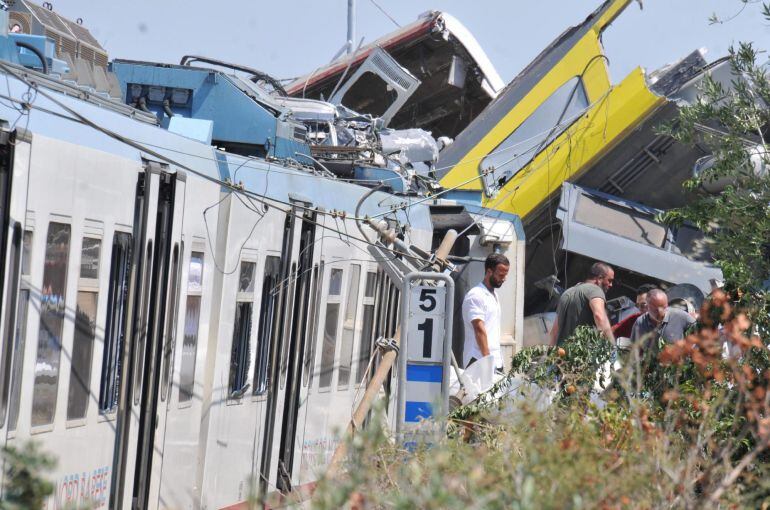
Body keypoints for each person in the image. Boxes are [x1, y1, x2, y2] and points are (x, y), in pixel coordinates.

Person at [462, 253, 509, 373]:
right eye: (501, 275)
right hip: (479, 360)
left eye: (506, 275)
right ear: (489, 272)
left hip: (495, 359)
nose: (504, 279)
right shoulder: (476, 295)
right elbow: (479, 330)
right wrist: (488, 362)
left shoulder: (494, 295)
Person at [550, 262, 615, 346]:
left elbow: (554, 331)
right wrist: (612, 346)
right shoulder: (595, 290)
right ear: (599, 278)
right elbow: (599, 317)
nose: (611, 285)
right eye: (609, 281)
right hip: (581, 354)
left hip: (561, 353)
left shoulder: (567, 293)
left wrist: (550, 355)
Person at [630, 288, 695, 350]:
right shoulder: (640, 323)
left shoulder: (680, 316)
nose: (660, 312)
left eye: (663, 307)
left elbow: (700, 333)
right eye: (656, 309)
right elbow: (632, 350)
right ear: (648, 307)